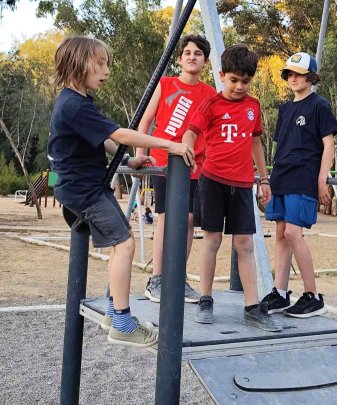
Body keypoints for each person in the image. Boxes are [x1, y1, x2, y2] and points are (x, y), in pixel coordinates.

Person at [47, 36, 195, 348]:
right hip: (82, 189)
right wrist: (170, 144)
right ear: (79, 65)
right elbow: (119, 134)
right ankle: (123, 325)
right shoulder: (73, 104)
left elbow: (103, 139)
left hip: (90, 185)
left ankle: (114, 314)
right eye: (100, 64)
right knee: (125, 245)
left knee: (122, 241)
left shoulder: (80, 101)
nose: (107, 71)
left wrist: (128, 160)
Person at [183, 44, 282, 332]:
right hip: (212, 181)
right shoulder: (211, 105)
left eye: (246, 81)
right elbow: (190, 132)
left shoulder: (253, 107)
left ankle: (252, 307)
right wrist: (185, 150)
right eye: (234, 80)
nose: (239, 87)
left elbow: (255, 142)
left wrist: (264, 179)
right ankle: (205, 299)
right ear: (222, 75)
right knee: (212, 240)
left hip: (242, 184)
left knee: (245, 244)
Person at [137, 34, 215, 303]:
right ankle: (157, 278)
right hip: (164, 160)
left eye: (198, 53)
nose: (192, 57)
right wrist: (140, 155)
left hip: (195, 164)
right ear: (180, 59)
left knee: (190, 220)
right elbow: (145, 121)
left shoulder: (210, 94)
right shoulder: (165, 84)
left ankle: (177, 277)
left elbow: (211, 131)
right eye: (188, 53)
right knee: (166, 217)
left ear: (206, 61)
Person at [263, 52, 337, 318]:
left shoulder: (319, 105)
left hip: (303, 175)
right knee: (280, 234)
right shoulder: (285, 109)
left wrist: (322, 179)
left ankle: (312, 296)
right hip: (281, 175)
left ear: (311, 77)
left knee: (294, 233)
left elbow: (328, 144)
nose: (293, 78)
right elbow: (283, 145)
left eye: (299, 74)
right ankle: (280, 292)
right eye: (289, 74)